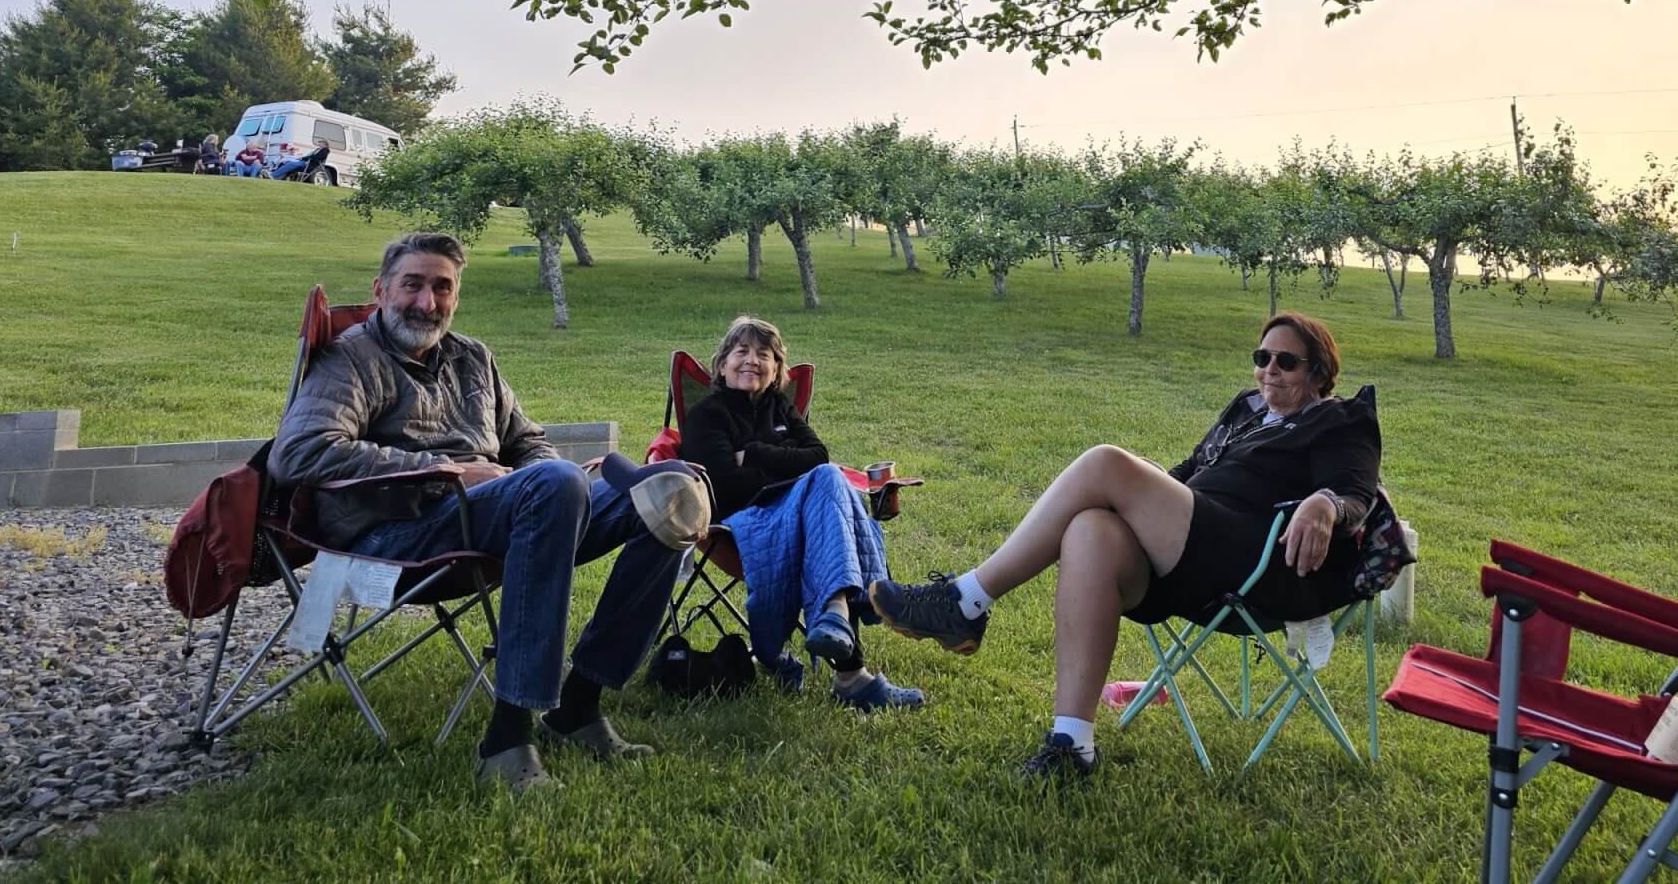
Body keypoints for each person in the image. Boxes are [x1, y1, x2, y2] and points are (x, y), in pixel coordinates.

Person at [267, 231, 713, 791]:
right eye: (412, 285)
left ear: (456, 296)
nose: (426, 302)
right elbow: (300, 451)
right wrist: (446, 470)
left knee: (670, 493)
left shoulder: (473, 357)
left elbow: (527, 443)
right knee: (554, 482)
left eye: (442, 288)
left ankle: (579, 703)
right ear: (381, 290)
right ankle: (506, 739)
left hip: (499, 517)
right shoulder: (350, 358)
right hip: (395, 534)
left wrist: (553, 486)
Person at [871, 310, 1379, 779]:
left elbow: (1356, 493)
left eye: (1286, 362)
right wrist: (1144, 490)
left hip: (1252, 565)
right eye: (1262, 357)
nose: (1269, 370)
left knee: (1105, 462)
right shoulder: (1246, 410)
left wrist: (1324, 504)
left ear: (1318, 373)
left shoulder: (1339, 419)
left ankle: (964, 601)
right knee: (1089, 528)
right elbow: (1190, 472)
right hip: (1187, 561)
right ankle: (1073, 744)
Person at [678, 316, 923, 713]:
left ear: (777, 369)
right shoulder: (708, 415)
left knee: (827, 482)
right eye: (741, 352)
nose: (752, 360)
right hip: (740, 523)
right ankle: (849, 667)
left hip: (803, 510)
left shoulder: (780, 407)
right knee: (828, 488)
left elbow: (818, 455)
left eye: (764, 354)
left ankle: (836, 619)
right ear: (722, 365)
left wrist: (752, 453)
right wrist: (787, 466)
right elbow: (725, 483)